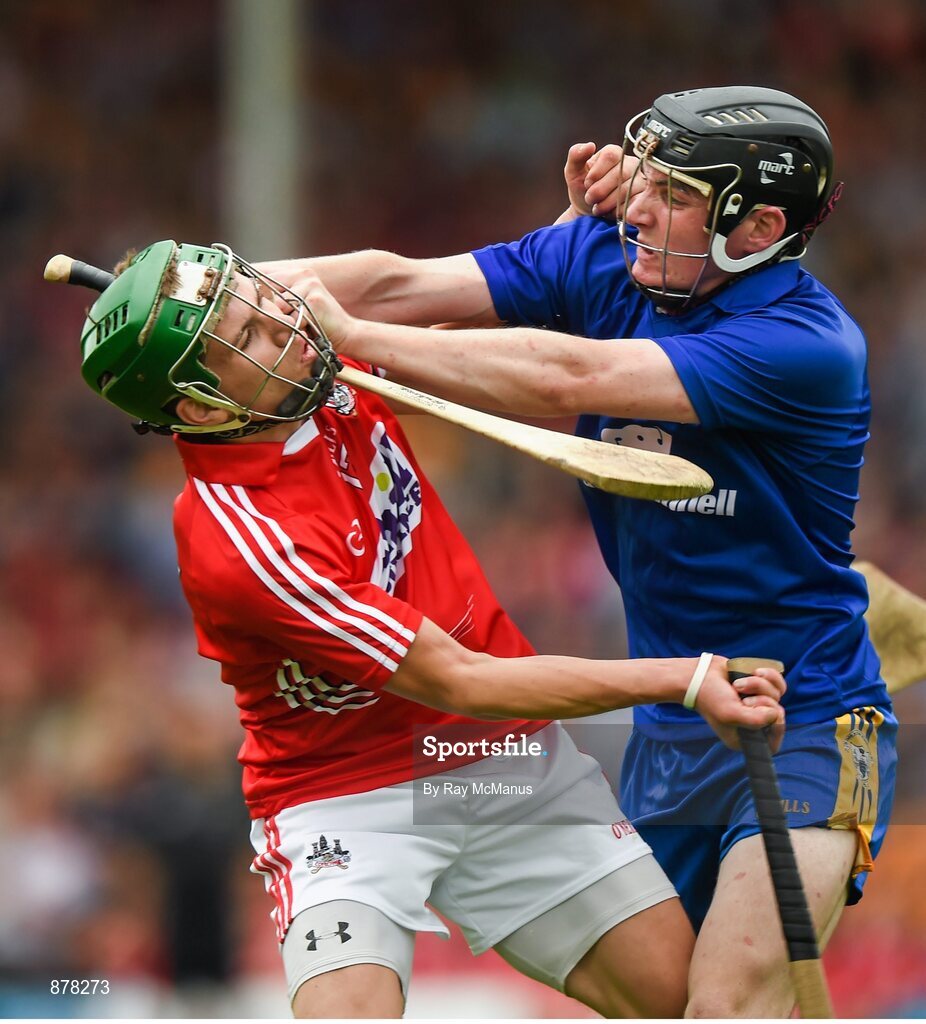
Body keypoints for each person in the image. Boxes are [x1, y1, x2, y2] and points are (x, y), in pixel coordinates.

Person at [256, 86, 898, 1017]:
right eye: (646, 176)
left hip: (805, 715)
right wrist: (203, 290)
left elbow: (573, 376)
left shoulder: (805, 346)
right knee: (662, 1002)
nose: (634, 205)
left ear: (756, 227)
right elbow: (391, 279)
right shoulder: (604, 258)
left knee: (727, 998)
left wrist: (353, 343)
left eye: (674, 194)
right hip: (674, 716)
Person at [56, 238, 785, 1019]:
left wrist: (567, 232)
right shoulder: (244, 541)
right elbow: (463, 678)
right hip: (347, 797)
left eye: (260, 299)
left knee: (685, 1005)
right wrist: (686, 678)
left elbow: (464, 351)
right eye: (249, 335)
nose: (283, 322)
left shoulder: (309, 374)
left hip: (504, 763)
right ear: (202, 408)